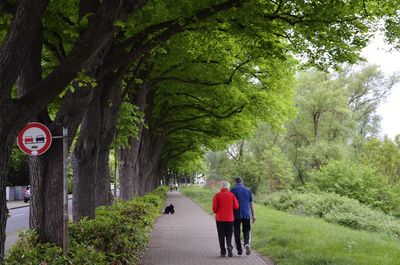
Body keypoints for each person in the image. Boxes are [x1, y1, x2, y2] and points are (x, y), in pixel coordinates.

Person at [212, 181, 239, 257]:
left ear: (221, 187)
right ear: (228, 187)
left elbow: (214, 208)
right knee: (229, 234)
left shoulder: (217, 195)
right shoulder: (232, 195)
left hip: (220, 219)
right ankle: (229, 246)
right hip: (230, 219)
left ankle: (223, 251)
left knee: (221, 235)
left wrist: (217, 211)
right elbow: (236, 206)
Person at [230, 177, 256, 255]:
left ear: (235, 182)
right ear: (242, 182)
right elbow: (251, 203)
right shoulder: (248, 190)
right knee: (246, 230)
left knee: (237, 232)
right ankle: (247, 243)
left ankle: (239, 250)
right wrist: (253, 215)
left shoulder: (233, 190)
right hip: (246, 214)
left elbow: (230, 203)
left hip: (236, 214)